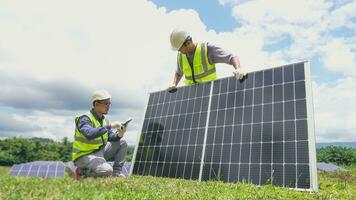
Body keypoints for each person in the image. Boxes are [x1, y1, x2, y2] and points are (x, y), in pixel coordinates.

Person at [167, 29, 246, 92]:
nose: (179, 51)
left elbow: (231, 57)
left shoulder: (206, 49)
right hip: (191, 95)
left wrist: (238, 68)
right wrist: (174, 84)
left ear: (187, 43)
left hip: (209, 93)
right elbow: (179, 72)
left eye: (179, 48)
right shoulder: (181, 56)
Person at [72, 89, 128, 178]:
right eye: (106, 103)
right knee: (107, 171)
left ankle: (117, 173)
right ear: (96, 104)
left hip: (99, 153)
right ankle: (81, 171)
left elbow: (110, 136)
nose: (108, 106)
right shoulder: (85, 119)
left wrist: (119, 134)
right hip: (84, 155)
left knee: (122, 142)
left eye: (109, 103)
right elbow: (89, 134)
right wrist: (110, 126)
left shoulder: (104, 120)